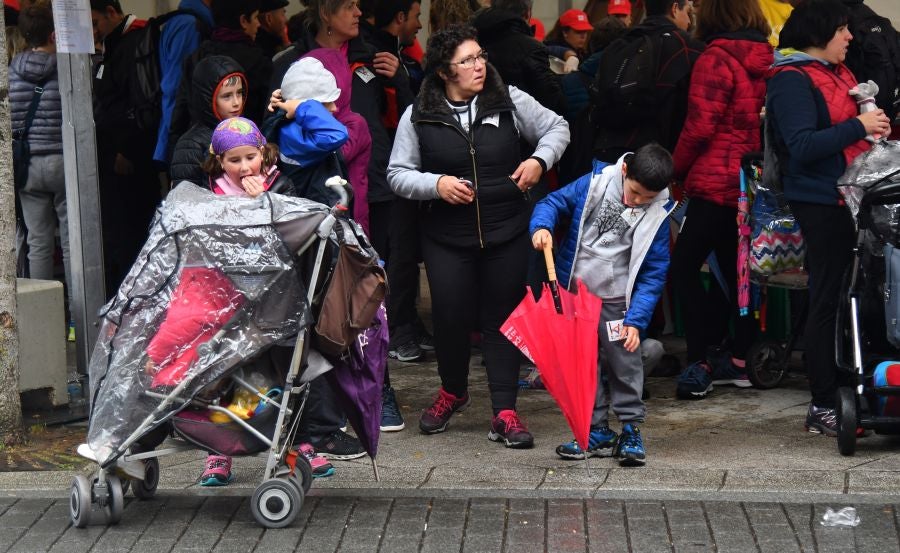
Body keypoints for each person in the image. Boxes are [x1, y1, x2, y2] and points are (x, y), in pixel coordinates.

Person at [387, 24, 570, 448]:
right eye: (467, 60)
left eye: (481, 55)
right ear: (444, 72)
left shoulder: (508, 101)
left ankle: (504, 411)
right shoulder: (419, 114)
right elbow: (397, 174)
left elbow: (558, 127)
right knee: (450, 317)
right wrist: (435, 185)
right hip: (446, 237)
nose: (479, 65)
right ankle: (453, 392)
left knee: (502, 320)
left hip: (507, 230)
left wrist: (540, 161)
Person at [766, 0, 890, 435]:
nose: (850, 37)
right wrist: (860, 126)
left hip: (854, 198)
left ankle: (854, 387)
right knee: (827, 300)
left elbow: (853, 126)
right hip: (821, 201)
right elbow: (802, 145)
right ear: (819, 32)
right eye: (843, 29)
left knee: (853, 297)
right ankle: (822, 403)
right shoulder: (791, 80)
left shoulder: (839, 73)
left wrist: (874, 127)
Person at [529, 143, 675, 466]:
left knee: (626, 363)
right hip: (578, 294)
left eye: (646, 198)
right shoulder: (596, 183)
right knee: (584, 363)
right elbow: (553, 201)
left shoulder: (659, 212)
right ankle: (596, 430)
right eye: (635, 192)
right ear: (625, 171)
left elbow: (654, 274)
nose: (637, 201)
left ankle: (630, 429)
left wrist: (636, 320)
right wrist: (541, 226)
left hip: (617, 301)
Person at [669, 0, 773, 399]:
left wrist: (674, 169)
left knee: (684, 269)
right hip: (749, 183)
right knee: (738, 275)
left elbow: (699, 127)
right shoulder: (766, 57)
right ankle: (741, 358)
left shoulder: (715, 58)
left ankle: (700, 357)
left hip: (713, 183)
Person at [89, 0, 161, 294]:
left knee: (131, 233)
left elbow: (140, 102)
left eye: (95, 23)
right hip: (113, 153)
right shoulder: (113, 44)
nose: (93, 31)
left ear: (111, 12)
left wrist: (126, 150)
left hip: (130, 157)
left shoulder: (135, 43)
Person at [11, 3, 73, 332]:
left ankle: (44, 323)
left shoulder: (10, 70)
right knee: (71, 241)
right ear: (54, 33)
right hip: (64, 163)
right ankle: (78, 318)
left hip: (29, 165)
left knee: (38, 242)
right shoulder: (67, 69)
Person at [591, 0, 704, 163]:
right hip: (657, 162)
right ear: (674, 9)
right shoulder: (688, 48)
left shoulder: (618, 45)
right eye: (688, 13)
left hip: (607, 153)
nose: (688, 21)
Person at [170, 0, 271, 152]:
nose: (258, 24)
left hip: (198, 147)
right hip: (246, 150)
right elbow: (266, 116)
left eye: (240, 93)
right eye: (256, 17)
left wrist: (175, 148)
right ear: (243, 21)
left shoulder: (196, 57)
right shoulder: (258, 62)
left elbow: (180, 110)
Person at [471, 0, 567, 116]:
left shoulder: (472, 39)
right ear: (528, 13)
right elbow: (552, 101)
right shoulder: (531, 48)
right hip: (523, 124)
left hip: (480, 118)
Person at [169, 55, 248, 186]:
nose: (236, 102)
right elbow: (185, 199)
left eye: (239, 93)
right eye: (227, 96)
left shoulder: (247, 130)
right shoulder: (191, 145)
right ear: (207, 99)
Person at [153, 0, 214, 167]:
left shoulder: (182, 20)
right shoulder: (189, 25)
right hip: (181, 132)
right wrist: (169, 143)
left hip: (176, 128)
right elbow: (176, 85)